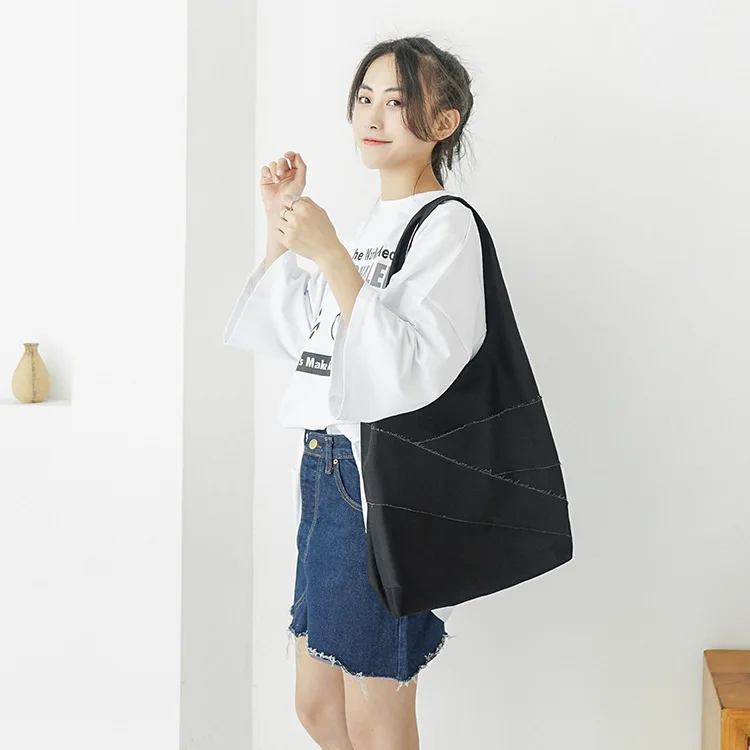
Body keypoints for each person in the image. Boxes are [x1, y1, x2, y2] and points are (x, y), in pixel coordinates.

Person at [223, 35, 484, 750]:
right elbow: (304, 336)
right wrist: (282, 224)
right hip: (325, 472)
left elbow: (414, 369)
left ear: (443, 122)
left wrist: (332, 253)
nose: (372, 114)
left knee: (376, 721)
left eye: (397, 101)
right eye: (365, 97)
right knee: (316, 707)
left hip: (381, 487)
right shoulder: (371, 224)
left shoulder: (448, 226)